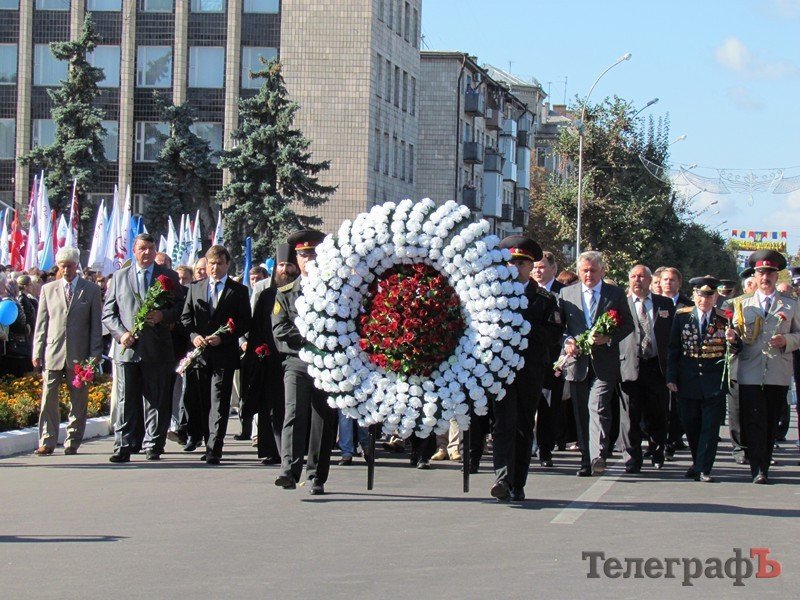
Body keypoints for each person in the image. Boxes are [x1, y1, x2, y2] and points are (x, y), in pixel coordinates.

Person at [490, 236, 562, 502]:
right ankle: (502, 478)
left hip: (530, 371)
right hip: (501, 370)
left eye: (521, 263)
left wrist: (525, 327)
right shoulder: (495, 295)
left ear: (531, 266)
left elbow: (554, 334)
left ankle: (517, 482)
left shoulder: (545, 298)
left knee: (522, 426)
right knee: (502, 424)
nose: (516, 267)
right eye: (511, 262)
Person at [103, 233, 182, 462]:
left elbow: (180, 308)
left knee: (155, 399)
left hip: (157, 348)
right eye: (142, 249)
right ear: (134, 251)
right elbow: (108, 313)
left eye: (150, 248)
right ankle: (123, 445)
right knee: (126, 399)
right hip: (128, 349)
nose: (147, 253)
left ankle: (153, 444)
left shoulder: (168, 276)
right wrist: (121, 334)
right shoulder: (120, 276)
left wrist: (162, 315)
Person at [272, 229, 338, 495]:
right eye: (303, 255)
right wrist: (310, 338)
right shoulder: (286, 292)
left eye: (312, 254)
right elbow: (280, 328)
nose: (308, 259)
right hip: (297, 362)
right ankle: (288, 470)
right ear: (296, 259)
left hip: (327, 364)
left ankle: (316, 476)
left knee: (323, 419)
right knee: (294, 413)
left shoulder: (336, 289)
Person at [558, 251, 634, 476]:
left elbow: (628, 324)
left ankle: (598, 455)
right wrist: (568, 341)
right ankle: (586, 459)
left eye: (592, 270)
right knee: (581, 413)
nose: (588, 275)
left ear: (602, 270)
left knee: (598, 406)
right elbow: (560, 327)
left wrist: (608, 338)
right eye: (584, 271)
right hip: (577, 363)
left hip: (604, 363)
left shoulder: (615, 293)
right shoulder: (566, 293)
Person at [729, 250, 800, 484]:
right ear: (755, 275)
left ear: (776, 276)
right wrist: (732, 338)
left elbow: (799, 334)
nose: (765, 277)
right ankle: (757, 468)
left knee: (770, 421)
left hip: (777, 371)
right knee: (752, 420)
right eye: (761, 273)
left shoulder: (790, 304)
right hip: (749, 371)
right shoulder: (742, 304)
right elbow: (735, 337)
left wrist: (786, 340)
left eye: (770, 273)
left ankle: (765, 464)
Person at [181, 245, 251, 464]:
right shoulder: (195, 288)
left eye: (219, 263)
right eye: (211, 263)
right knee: (203, 402)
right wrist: (194, 336)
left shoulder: (238, 291)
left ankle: (215, 448)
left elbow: (244, 322)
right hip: (200, 356)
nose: (215, 268)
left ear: (227, 264)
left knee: (219, 401)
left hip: (223, 355)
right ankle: (206, 440)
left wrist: (224, 337)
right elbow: (186, 318)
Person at [32, 247, 104, 456]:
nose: (66, 270)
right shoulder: (48, 289)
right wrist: (37, 351)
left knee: (78, 400)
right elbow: (41, 323)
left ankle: (72, 440)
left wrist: (95, 355)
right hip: (53, 352)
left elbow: (96, 326)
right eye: (62, 266)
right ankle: (47, 441)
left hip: (80, 355)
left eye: (70, 266)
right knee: (48, 398)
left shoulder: (90, 290)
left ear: (76, 266)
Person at [666, 276, 736, 482]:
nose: (703, 300)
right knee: (691, 424)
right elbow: (673, 348)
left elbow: (736, 348)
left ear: (715, 297)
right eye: (700, 295)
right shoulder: (682, 316)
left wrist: (734, 340)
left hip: (714, 381)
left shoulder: (724, 318)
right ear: (694, 295)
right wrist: (671, 377)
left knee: (710, 427)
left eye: (708, 296)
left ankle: (704, 468)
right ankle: (698, 463)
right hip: (687, 380)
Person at [618, 265, 674, 472]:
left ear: (650, 280)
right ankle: (632, 458)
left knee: (658, 413)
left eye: (641, 276)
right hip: (630, 365)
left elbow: (672, 336)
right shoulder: (621, 304)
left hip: (656, 366)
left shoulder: (664, 303)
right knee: (630, 416)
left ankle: (657, 451)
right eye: (633, 276)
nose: (637, 280)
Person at [532, 250, 566, 467]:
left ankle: (545, 450)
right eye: (535, 267)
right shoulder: (525, 289)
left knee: (549, 406)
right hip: (529, 358)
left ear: (553, 268)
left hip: (554, 358)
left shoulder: (564, 293)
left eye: (542, 267)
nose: (537, 271)